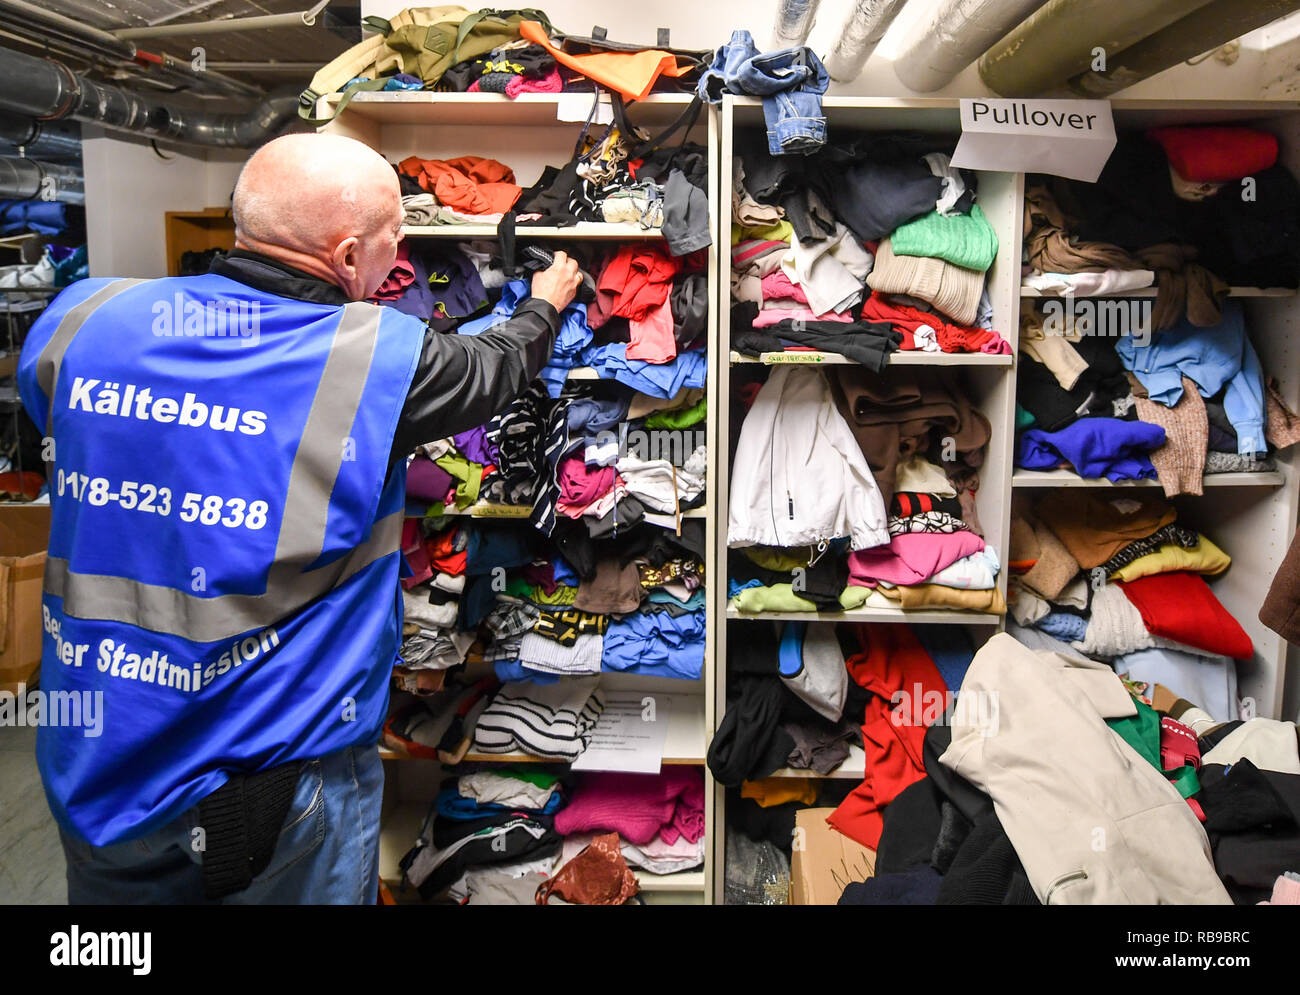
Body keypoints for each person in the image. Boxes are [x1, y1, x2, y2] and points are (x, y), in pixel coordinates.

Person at [16, 131, 581, 904]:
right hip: (275, 783)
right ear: (349, 258)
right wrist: (546, 305)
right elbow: (493, 370)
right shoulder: (373, 357)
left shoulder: (80, 317)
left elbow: (66, 428)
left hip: (97, 767)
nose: (403, 256)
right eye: (394, 240)